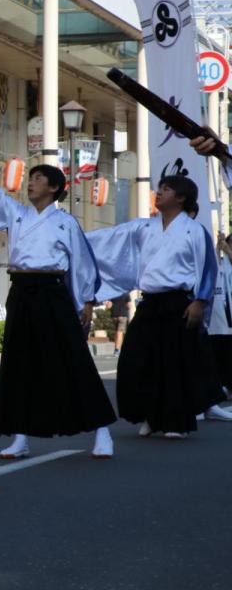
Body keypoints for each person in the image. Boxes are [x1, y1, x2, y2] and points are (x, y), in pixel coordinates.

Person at [0, 143, 115, 460]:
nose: (29, 182)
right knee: (19, 365)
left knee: (73, 360)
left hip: (52, 293)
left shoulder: (66, 223)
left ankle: (102, 431)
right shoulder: (16, 214)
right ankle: (20, 436)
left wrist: (87, 300)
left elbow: (83, 264)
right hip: (21, 290)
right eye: (30, 178)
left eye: (36, 178)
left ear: (53, 188)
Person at [86, 176, 229, 438]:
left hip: (180, 303)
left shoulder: (194, 230)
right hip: (150, 302)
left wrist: (200, 301)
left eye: (166, 189)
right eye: (160, 188)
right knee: (138, 360)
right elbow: (110, 239)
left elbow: (209, 269)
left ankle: (176, 422)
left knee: (174, 364)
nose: (159, 193)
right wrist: (77, 239)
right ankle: (151, 415)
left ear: (181, 198)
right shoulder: (144, 228)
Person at [209, 233, 232, 394]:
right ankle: (222, 385)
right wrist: (218, 247)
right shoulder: (222, 262)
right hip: (218, 317)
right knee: (219, 352)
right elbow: (213, 267)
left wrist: (228, 252)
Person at [109, 292, 131, 357]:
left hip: (114, 315)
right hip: (123, 315)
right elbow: (129, 306)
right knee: (120, 333)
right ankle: (117, 350)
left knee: (116, 332)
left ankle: (116, 348)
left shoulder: (113, 293)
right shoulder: (126, 293)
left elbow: (109, 305)